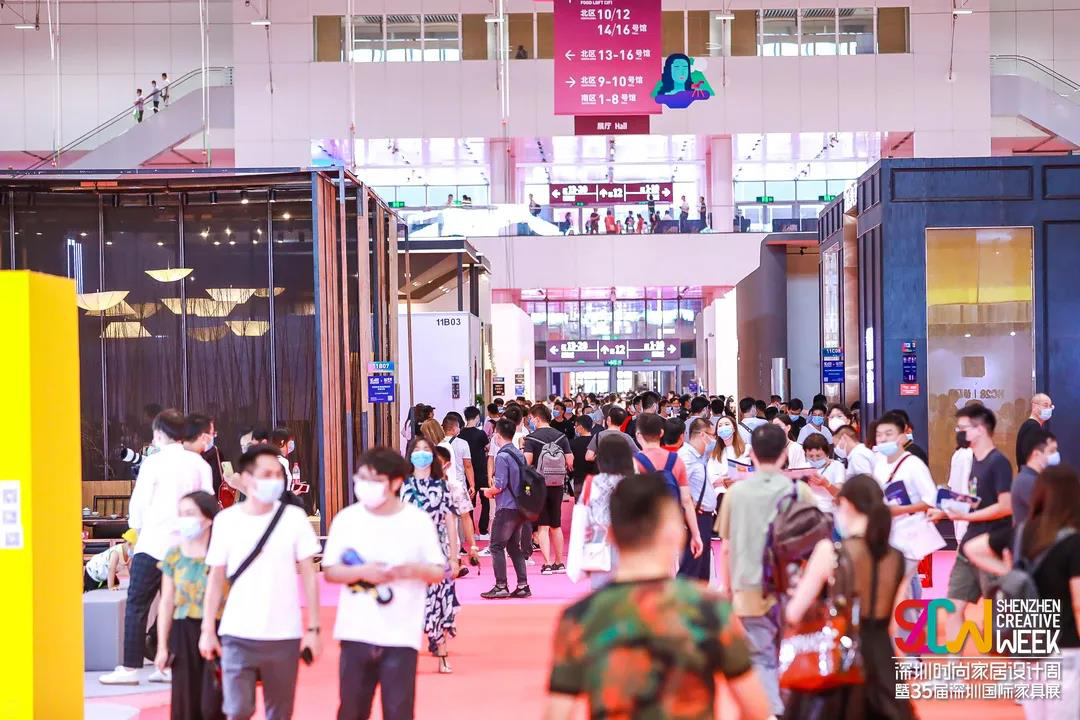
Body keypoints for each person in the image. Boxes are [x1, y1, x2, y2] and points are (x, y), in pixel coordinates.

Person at [545, 472, 771, 720]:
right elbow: (756, 710)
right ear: (675, 532)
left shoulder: (580, 617)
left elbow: (557, 715)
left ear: (610, 534)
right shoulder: (710, 609)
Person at [198, 445, 321, 720]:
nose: (274, 480)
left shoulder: (293, 518)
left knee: (280, 712)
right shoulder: (227, 521)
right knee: (238, 709)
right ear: (246, 478)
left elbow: (309, 575)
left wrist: (313, 628)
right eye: (267, 474)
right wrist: (207, 628)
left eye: (278, 475)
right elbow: (215, 578)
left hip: (283, 634)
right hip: (236, 632)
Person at [323, 448, 445, 719]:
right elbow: (330, 571)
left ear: (396, 482)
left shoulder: (417, 521)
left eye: (375, 480)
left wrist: (410, 570)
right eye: (362, 478)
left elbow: (437, 571)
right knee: (352, 710)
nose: (366, 486)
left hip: (400, 634)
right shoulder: (347, 519)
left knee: (398, 710)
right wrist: (362, 572)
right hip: (355, 631)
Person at [783, 475, 915, 720]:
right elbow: (892, 625)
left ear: (846, 504)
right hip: (882, 660)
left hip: (841, 656)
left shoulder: (830, 551)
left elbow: (793, 612)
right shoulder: (897, 558)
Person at [101, 409, 213, 686]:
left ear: (160, 433)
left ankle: (130, 668)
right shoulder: (199, 464)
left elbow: (139, 504)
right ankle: (170, 665)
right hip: (186, 546)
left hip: (152, 544)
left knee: (137, 604)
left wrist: (136, 533)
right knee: (176, 605)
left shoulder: (153, 462)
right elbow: (207, 502)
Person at [717, 423, 817, 717]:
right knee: (791, 650)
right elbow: (815, 544)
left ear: (751, 454)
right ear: (785, 455)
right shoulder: (799, 491)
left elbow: (726, 547)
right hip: (792, 586)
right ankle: (789, 708)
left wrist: (727, 589)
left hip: (749, 585)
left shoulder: (736, 493)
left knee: (760, 655)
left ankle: (772, 711)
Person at [964, 465, 1080, 720]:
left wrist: (1008, 572)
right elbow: (1078, 603)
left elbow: (972, 548)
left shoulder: (1021, 533)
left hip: (1027, 645)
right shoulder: (1074, 542)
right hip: (1066, 647)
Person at [928, 405, 1013, 642]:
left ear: (981, 429)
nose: (959, 432)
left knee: (999, 612)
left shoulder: (998, 463)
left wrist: (965, 517)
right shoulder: (973, 460)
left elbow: (1005, 506)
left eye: (963, 428)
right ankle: (953, 663)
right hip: (968, 546)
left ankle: (1013, 660)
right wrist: (944, 511)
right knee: (954, 606)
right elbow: (974, 501)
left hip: (990, 546)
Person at [154, 491, 223, 720]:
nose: (185, 519)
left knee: (214, 701)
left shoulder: (222, 554)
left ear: (209, 518)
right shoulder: (174, 555)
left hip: (218, 631)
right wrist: (162, 647)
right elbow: (166, 602)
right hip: (183, 632)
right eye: (181, 514)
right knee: (185, 702)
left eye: (190, 513)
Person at [871, 412, 942, 610]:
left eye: (889, 434)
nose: (883, 439)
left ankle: (908, 623)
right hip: (888, 535)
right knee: (901, 588)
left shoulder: (913, 464)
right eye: (879, 435)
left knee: (900, 587)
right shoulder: (879, 463)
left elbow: (931, 500)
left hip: (910, 535)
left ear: (903, 436)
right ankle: (911, 621)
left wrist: (900, 510)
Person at [400, 438, 459, 672]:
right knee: (409, 603)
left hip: (436, 552)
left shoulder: (442, 486)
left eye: (426, 450)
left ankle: (442, 652)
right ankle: (406, 655)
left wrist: (454, 557)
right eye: (417, 450)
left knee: (438, 600)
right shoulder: (401, 486)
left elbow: (450, 522)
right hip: (409, 553)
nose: (422, 454)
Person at [480, 419, 533, 599]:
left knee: (496, 546)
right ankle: (523, 585)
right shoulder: (519, 454)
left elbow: (500, 485)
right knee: (513, 547)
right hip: (520, 506)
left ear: (497, 435)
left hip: (506, 507)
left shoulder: (502, 456)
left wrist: (488, 492)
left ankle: (501, 585)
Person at [523, 404, 573, 575]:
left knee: (543, 526)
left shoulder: (531, 438)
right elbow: (570, 461)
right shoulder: (561, 436)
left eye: (531, 418)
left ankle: (547, 563)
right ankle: (560, 563)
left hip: (539, 485)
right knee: (556, 525)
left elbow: (526, 461)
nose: (530, 421)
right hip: (557, 484)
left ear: (537, 419)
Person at [677, 417, 718, 580]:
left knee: (701, 570)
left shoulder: (701, 456)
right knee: (691, 567)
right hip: (694, 518)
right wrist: (688, 504)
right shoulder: (685, 456)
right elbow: (677, 485)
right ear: (703, 435)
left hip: (705, 517)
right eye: (712, 435)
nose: (714, 439)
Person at [440, 414, 479, 569]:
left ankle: (454, 555)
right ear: (456, 428)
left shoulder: (438, 444)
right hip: (459, 483)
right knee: (463, 517)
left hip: (444, 484)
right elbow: (468, 465)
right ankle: (461, 549)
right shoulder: (462, 443)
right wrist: (472, 484)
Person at [1012, 428, 1059, 526]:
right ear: (1036, 454)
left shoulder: (1038, 479)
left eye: (1056, 451)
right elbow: (1051, 514)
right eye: (1051, 451)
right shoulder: (1026, 481)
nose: (1056, 455)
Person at [460, 406, 492, 538]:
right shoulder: (481, 434)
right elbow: (488, 448)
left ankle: (471, 530)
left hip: (468, 472)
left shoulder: (461, 434)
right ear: (477, 417)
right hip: (481, 471)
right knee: (485, 501)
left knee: (470, 502)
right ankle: (483, 530)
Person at [708, 415, 747, 507]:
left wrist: (724, 479)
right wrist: (728, 479)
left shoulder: (746, 449)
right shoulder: (715, 454)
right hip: (721, 498)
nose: (723, 427)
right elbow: (711, 479)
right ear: (717, 432)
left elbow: (748, 474)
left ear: (734, 428)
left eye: (726, 424)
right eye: (720, 425)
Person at [802, 432, 846, 514]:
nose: (814, 459)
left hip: (830, 513)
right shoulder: (803, 467)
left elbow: (840, 494)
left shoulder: (837, 466)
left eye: (818, 456)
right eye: (810, 456)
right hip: (809, 513)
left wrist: (827, 484)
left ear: (827, 453)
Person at [1016, 392, 1054, 468]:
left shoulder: (1032, 426)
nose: (1048, 409)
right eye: (1045, 405)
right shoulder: (1032, 427)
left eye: (1050, 406)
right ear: (1034, 406)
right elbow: (1029, 455)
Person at [569, 415, 597, 498]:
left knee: (579, 503)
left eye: (576, 425)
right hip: (595, 478)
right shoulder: (597, 441)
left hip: (579, 478)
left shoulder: (572, 443)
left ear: (581, 427)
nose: (575, 428)